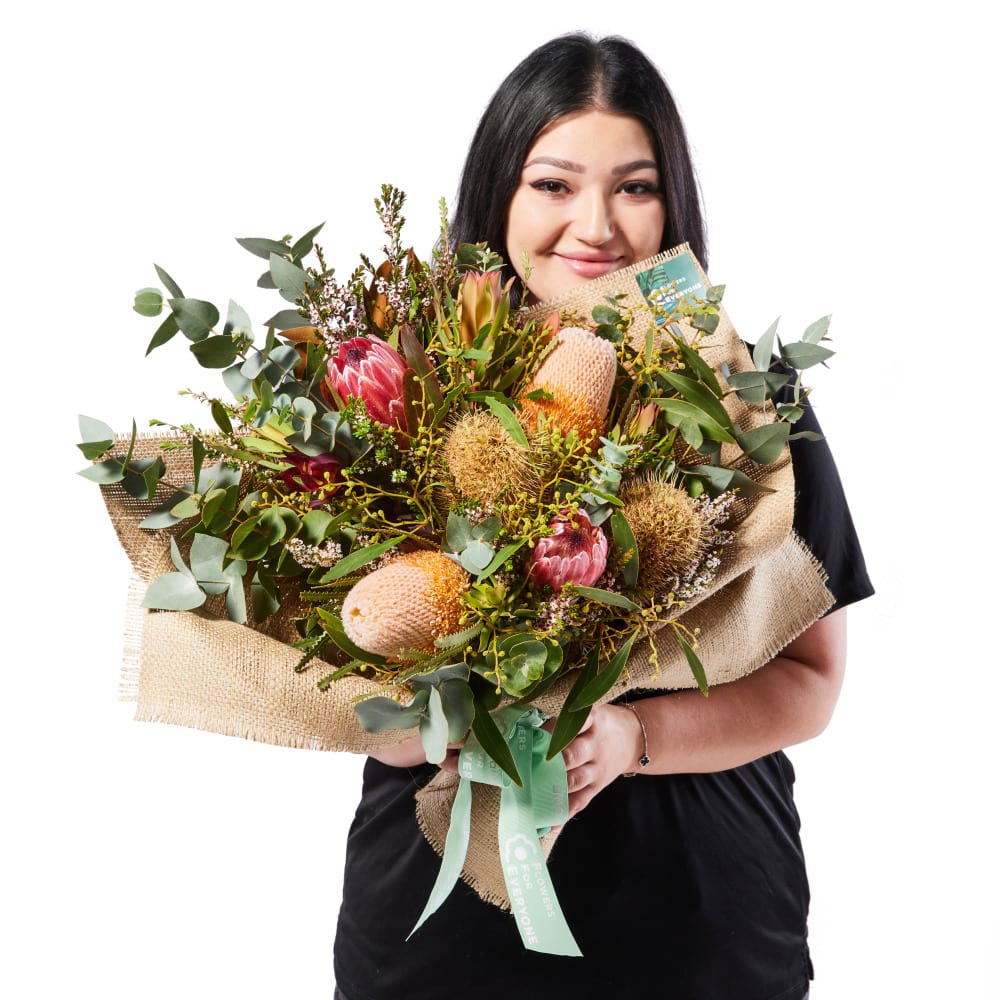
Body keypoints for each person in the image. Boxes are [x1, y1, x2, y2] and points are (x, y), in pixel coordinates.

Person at [333, 33, 873, 1000]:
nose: (595, 224)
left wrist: (630, 740)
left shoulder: (747, 397)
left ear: (673, 205)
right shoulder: (399, 391)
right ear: (499, 192)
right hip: (440, 931)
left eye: (634, 185)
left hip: (700, 928)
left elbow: (810, 682)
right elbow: (329, 675)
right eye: (552, 184)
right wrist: (423, 724)